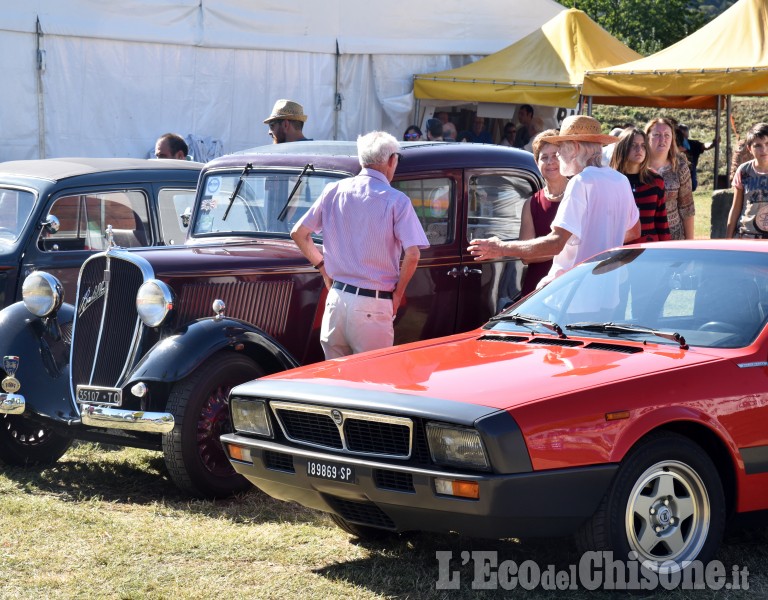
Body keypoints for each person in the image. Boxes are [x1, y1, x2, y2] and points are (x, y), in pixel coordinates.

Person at [290, 131, 430, 358]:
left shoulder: (333, 190)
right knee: (371, 383)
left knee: (335, 381)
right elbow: (413, 254)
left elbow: (298, 233)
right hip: (372, 304)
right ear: (391, 160)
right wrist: (397, 294)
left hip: (336, 299)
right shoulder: (397, 200)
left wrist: (323, 267)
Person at [468, 115, 640, 288]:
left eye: (561, 147)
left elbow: (556, 243)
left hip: (573, 293)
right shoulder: (620, 180)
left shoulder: (580, 182)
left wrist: (501, 247)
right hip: (608, 291)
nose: (558, 154)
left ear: (576, 147)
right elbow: (634, 231)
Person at [518, 129, 568, 296]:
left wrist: (541, 249)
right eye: (544, 157)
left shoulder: (579, 193)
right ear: (536, 162)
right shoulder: (531, 203)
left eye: (555, 155)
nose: (550, 162)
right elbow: (525, 255)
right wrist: (562, 248)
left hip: (570, 285)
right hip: (537, 289)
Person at [610, 128, 671, 244]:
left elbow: (662, 221)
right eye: (633, 145)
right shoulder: (610, 182)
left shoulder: (656, 181)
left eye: (643, 145)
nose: (639, 150)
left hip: (650, 251)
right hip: (618, 250)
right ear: (622, 148)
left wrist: (666, 252)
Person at [645, 117, 694, 240]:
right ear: (647, 137)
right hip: (644, 236)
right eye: (657, 135)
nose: (662, 139)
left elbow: (687, 208)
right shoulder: (636, 166)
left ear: (672, 139)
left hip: (673, 236)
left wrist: (689, 243)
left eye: (667, 135)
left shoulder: (680, 166)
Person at [726, 122, 768, 239]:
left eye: (767, 144)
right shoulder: (744, 170)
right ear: (749, 148)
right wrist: (728, 239)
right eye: (758, 146)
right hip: (747, 235)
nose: (763, 149)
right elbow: (736, 208)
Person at [678, 124, 716, 191]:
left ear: (687, 134)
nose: (681, 137)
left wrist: (713, 144)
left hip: (690, 178)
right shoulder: (672, 145)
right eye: (680, 134)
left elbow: (704, 146)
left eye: (683, 134)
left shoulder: (693, 144)